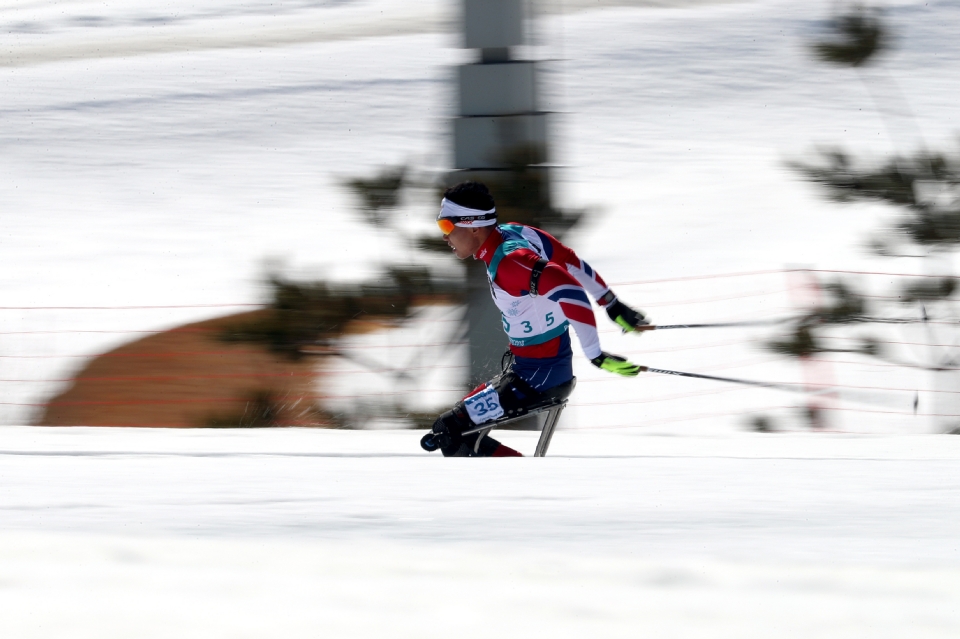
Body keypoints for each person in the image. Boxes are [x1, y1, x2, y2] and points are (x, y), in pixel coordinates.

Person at [421, 181, 649, 457]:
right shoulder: (514, 232)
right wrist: (610, 303)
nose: (444, 236)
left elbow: (570, 289)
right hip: (532, 373)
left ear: (473, 226)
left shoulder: (509, 262)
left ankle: (529, 484)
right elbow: (570, 260)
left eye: (447, 226)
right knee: (450, 428)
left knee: (451, 433)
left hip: (537, 380)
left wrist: (595, 354)